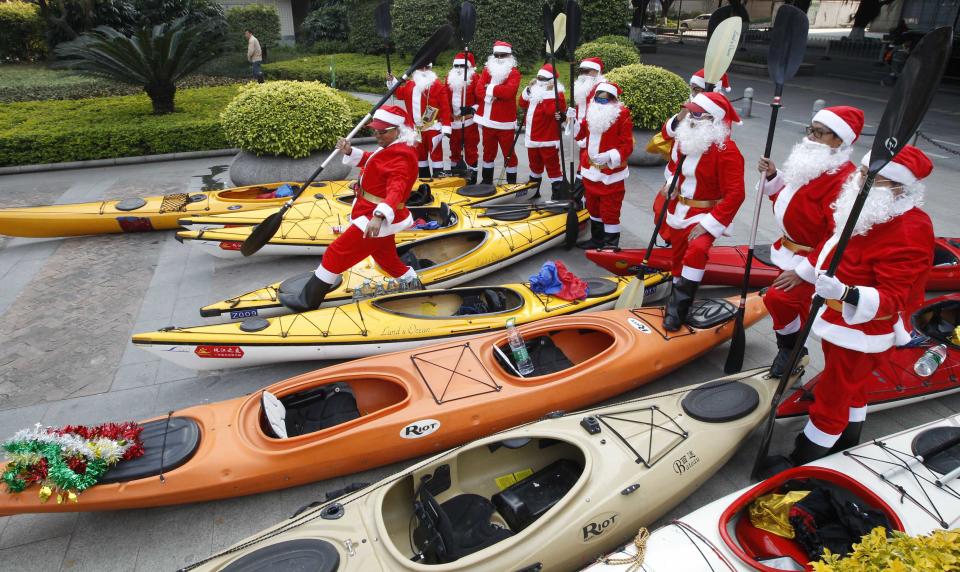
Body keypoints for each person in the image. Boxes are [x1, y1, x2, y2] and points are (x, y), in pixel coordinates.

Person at [774, 144, 935, 467]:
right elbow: (832, 241)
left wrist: (847, 293)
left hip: (864, 329)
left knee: (832, 395)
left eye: (870, 177)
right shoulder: (870, 207)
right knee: (850, 386)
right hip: (839, 319)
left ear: (899, 186)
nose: (859, 180)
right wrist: (807, 271)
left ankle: (804, 458)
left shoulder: (909, 229)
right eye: (862, 172)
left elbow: (895, 296)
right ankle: (848, 438)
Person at [758, 106, 865, 378]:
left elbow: (838, 235)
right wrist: (773, 177)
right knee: (790, 304)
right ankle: (794, 349)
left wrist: (804, 270)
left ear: (840, 140)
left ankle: (790, 349)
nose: (811, 138)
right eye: (811, 130)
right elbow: (791, 202)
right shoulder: (814, 162)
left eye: (820, 133)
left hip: (817, 261)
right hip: (788, 252)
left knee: (778, 298)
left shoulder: (845, 181)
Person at [281, 105, 421, 312]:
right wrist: (349, 151)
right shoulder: (392, 147)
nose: (377, 134)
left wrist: (379, 215)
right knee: (386, 258)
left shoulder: (401, 155)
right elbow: (373, 161)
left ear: (398, 130)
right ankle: (414, 284)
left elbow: (397, 189)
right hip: (371, 211)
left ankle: (308, 300)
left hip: (375, 217)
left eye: (383, 131)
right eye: (375, 130)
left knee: (336, 252)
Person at [656, 91, 745, 331]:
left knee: (696, 251)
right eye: (691, 112)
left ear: (713, 119)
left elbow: (736, 194)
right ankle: (677, 294)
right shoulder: (687, 138)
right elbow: (676, 167)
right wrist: (671, 184)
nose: (691, 117)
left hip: (706, 215)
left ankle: (678, 309)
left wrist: (709, 224)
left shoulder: (728, 151)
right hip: (679, 209)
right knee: (678, 255)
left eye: (697, 114)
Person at [574, 82, 634, 250]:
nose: (600, 102)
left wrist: (610, 156)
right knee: (593, 207)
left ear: (613, 100)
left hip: (610, 174)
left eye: (604, 99)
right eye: (598, 98)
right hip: (590, 170)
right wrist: (571, 121)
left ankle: (610, 244)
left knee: (610, 210)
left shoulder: (622, 115)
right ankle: (597, 239)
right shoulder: (592, 112)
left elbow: (627, 145)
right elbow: (581, 134)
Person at [389, 63, 451, 179]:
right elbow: (399, 93)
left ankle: (438, 182)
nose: (423, 70)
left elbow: (445, 108)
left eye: (426, 68)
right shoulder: (410, 85)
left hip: (432, 127)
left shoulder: (437, 85)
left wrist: (446, 126)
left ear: (430, 69)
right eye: (420, 68)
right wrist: (393, 81)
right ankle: (424, 181)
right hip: (416, 129)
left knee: (436, 156)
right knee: (420, 157)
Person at [474, 41, 522, 185]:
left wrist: (489, 88)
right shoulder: (486, 71)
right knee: (488, 152)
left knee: (509, 154)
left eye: (503, 55)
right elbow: (478, 90)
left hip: (505, 122)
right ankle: (487, 181)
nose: (500, 58)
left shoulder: (514, 73)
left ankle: (511, 183)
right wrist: (495, 91)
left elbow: (508, 93)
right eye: (497, 55)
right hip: (487, 121)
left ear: (509, 56)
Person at [519, 63, 566, 200]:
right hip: (532, 137)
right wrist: (528, 89)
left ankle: (557, 195)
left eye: (542, 79)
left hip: (548, 139)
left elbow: (550, 112)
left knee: (553, 168)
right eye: (538, 77)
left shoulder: (558, 94)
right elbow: (521, 104)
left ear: (551, 81)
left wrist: (548, 92)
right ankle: (534, 191)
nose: (539, 81)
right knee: (534, 166)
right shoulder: (535, 89)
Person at [566, 57, 605, 200]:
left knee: (586, 166)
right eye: (581, 71)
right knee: (584, 166)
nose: (583, 74)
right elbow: (580, 108)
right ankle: (579, 199)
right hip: (582, 132)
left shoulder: (602, 89)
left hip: (594, 136)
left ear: (596, 71)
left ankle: (576, 199)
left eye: (586, 71)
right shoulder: (584, 87)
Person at [445, 52, 481, 184]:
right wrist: (449, 114)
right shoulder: (449, 78)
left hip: (469, 122)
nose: (459, 69)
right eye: (457, 66)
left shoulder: (475, 78)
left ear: (469, 67)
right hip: (454, 122)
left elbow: (481, 99)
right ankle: (456, 175)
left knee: (471, 151)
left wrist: (472, 111)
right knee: (454, 149)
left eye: (463, 66)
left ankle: (472, 180)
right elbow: (444, 98)